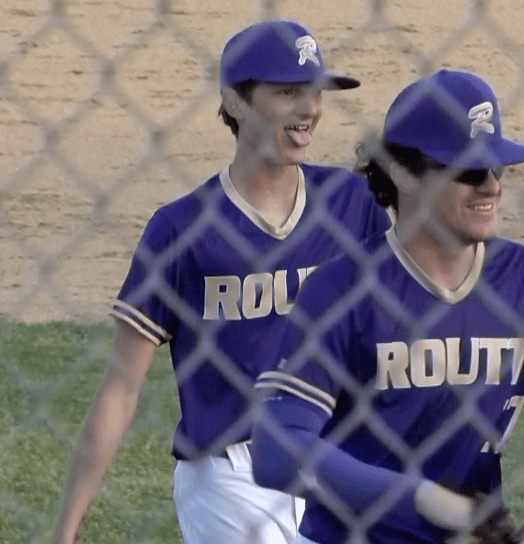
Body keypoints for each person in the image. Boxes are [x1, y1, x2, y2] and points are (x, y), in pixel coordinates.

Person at [53, 19, 391, 544]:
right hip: (231, 476)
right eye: (288, 93)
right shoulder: (182, 229)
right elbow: (122, 387)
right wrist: (67, 526)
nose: (309, 109)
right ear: (234, 101)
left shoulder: (350, 204)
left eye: (315, 92)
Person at [250, 69, 524, 544]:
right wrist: (422, 499)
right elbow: (276, 453)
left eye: (497, 168)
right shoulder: (342, 290)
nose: (491, 186)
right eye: (469, 171)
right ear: (403, 173)